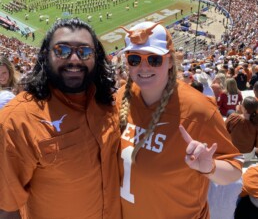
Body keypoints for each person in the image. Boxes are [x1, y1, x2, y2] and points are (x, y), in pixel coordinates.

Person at [117, 21, 243, 219]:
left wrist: (209, 168)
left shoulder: (198, 109)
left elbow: (234, 170)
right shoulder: (119, 99)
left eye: (154, 59)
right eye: (134, 59)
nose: (144, 66)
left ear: (169, 61)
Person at [0, 18, 121, 219]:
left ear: (96, 58)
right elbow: (6, 209)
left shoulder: (108, 104)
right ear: (45, 56)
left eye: (85, 52)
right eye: (62, 51)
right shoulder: (17, 120)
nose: (74, 59)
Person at [225, 96, 258, 162]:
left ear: (245, 109)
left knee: (230, 112)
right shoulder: (256, 123)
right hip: (249, 155)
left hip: (233, 154)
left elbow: (224, 131)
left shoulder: (233, 118)